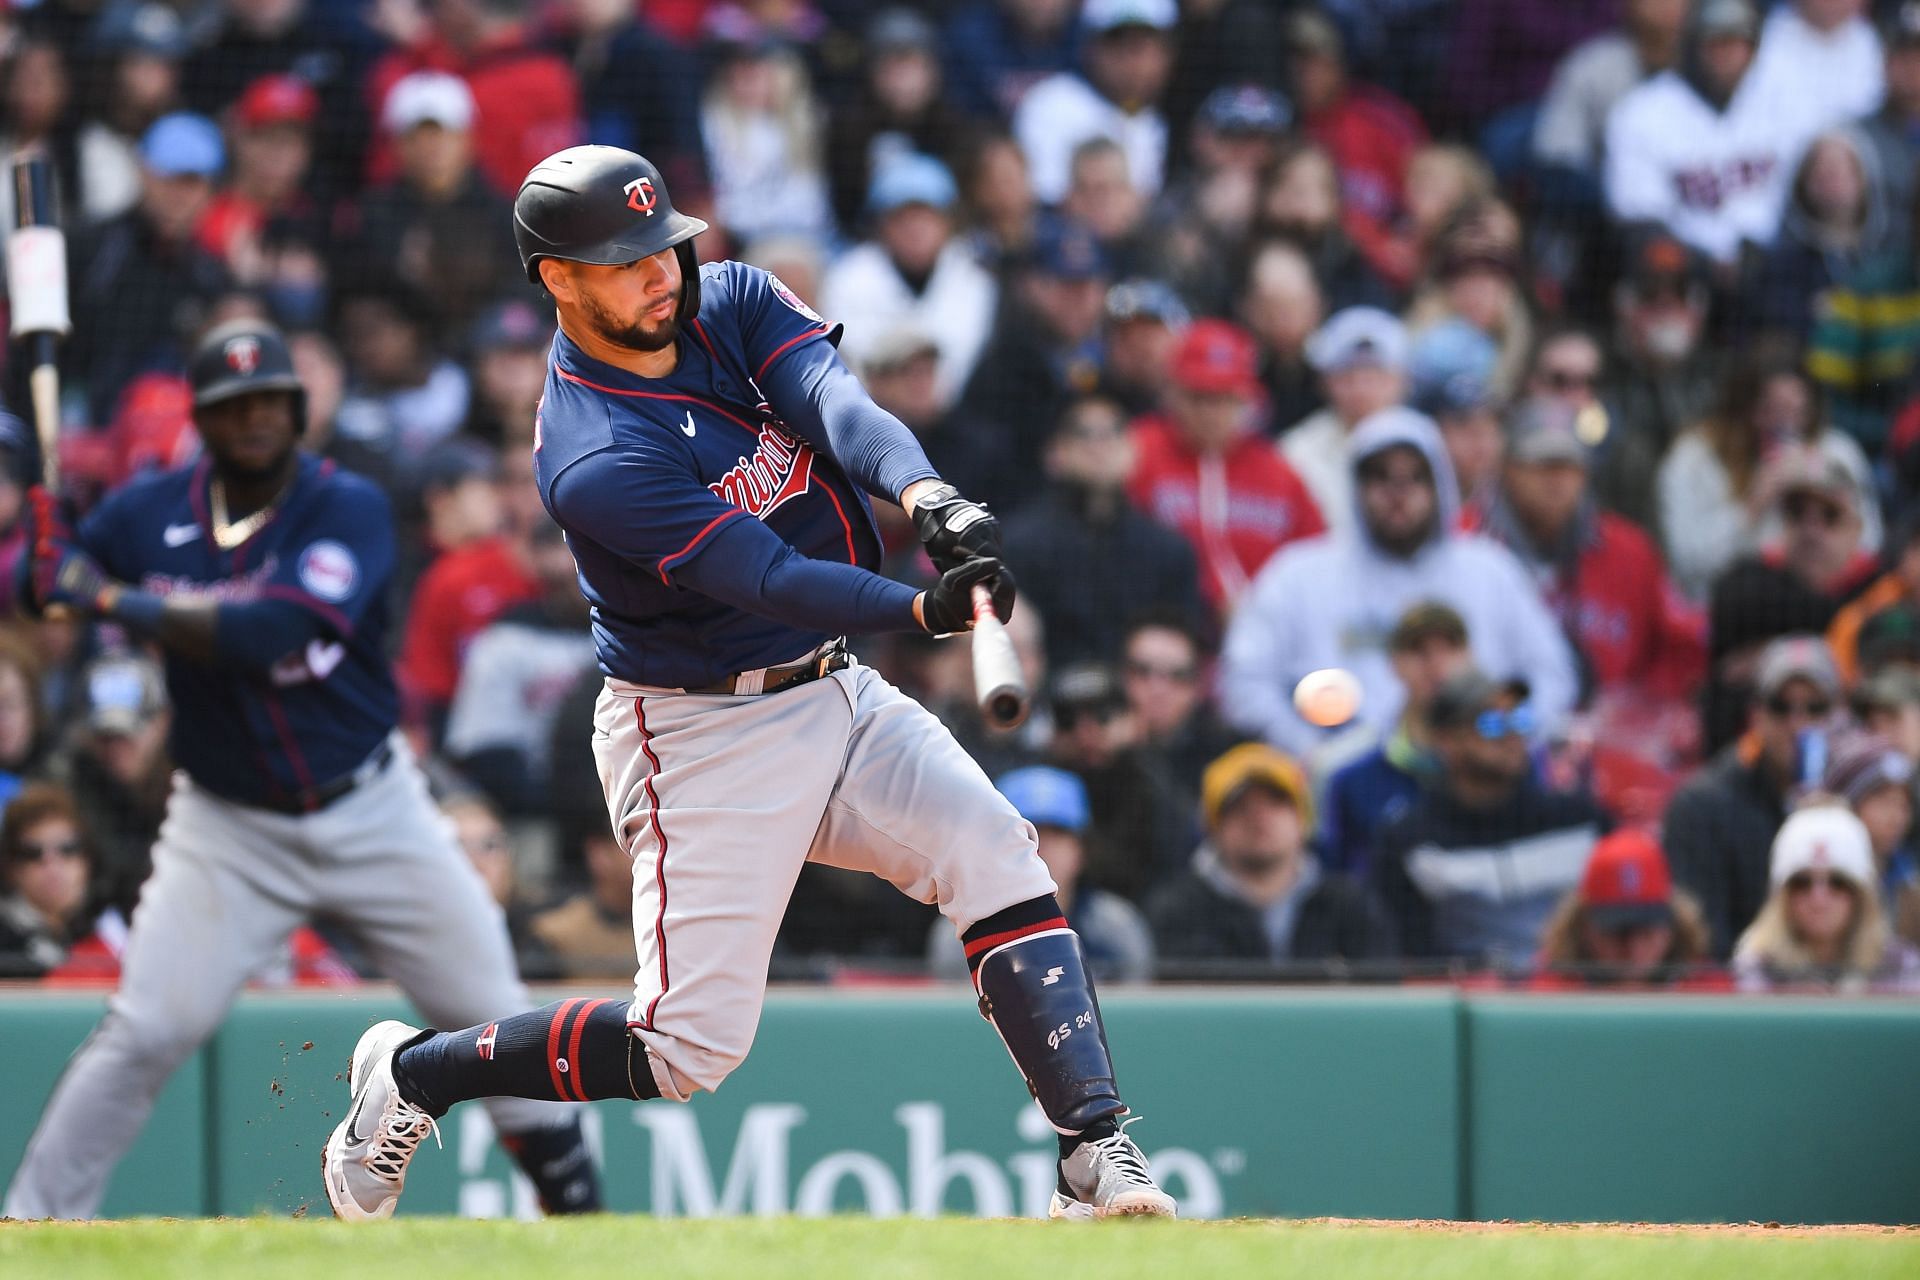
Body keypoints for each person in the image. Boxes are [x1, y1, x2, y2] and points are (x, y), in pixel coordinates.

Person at [317, 146, 1178, 1222]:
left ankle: (1093, 1155)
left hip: (829, 687)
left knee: (995, 846)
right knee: (683, 1047)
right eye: (626, 263)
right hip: (699, 729)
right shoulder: (590, 453)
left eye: (662, 249)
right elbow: (764, 575)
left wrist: (928, 495)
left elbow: (834, 402)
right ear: (559, 279)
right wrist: (920, 611)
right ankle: (412, 1074)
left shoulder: (730, 297)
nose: (659, 276)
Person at [3, 319, 601, 1220]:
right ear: (202, 420)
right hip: (228, 825)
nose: (253, 420)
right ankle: (32, 1225)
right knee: (147, 1028)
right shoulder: (152, 510)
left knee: (492, 1015)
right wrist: (35, 554)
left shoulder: (345, 504)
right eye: (231, 406)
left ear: (297, 410)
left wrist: (106, 595)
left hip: (373, 808)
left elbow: (272, 631)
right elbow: (43, 586)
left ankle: (585, 1222)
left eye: (269, 402)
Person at [1221, 407, 1578, 756]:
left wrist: (1501, 737)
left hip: (1473, 778)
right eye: (1380, 477)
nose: (1398, 493)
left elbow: (1554, 678)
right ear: (1355, 485)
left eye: (1415, 477)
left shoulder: (1490, 570)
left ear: (1439, 483)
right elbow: (1244, 681)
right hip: (1338, 777)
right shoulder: (1299, 574)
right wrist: (1310, 751)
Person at [1471, 400, 1706, 701]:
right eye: (1542, 465)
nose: (1556, 480)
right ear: (1508, 469)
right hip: (1490, 730)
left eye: (1568, 465)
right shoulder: (1467, 543)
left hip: (1605, 736)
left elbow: (1678, 641)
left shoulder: (1630, 550)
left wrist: (1639, 710)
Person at [1372, 669, 1604, 963]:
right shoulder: (1408, 839)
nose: (1512, 735)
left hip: (1567, 997)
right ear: (1447, 741)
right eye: (1492, 724)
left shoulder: (1580, 820)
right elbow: (1405, 955)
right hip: (1459, 998)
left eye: (1519, 720)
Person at [1126, 319, 1326, 612]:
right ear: (1172, 393)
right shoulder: (1140, 450)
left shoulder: (1278, 471)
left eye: (1224, 398)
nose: (1210, 412)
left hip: (1265, 631)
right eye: (1198, 397)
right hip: (1167, 626)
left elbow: (1315, 558)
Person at [1147, 743, 1391, 975]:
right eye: (1240, 806)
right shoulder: (1176, 913)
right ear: (1212, 827)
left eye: (1276, 802)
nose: (1259, 818)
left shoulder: (1351, 906)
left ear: (1302, 819)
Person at [1663, 635, 1838, 956]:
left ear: (1837, 715)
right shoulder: (1704, 806)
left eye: (1814, 708)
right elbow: (1704, 946)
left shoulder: (1857, 793)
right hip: (1747, 996)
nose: (1797, 723)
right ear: (1756, 714)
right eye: (1780, 706)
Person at [1661, 348, 1881, 602]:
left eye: (1797, 412)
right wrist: (1752, 507)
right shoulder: (1695, 458)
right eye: (1771, 411)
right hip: (1728, 611)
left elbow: (1868, 545)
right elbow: (1689, 565)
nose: (1785, 427)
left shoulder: (1837, 451)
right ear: (1743, 408)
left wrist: (1825, 511)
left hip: (1820, 604)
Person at [1604, 0, 1810, 268]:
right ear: (1691, 45)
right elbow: (1639, 218)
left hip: (1774, 265)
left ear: (1753, 47)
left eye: (1735, 40)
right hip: (1684, 272)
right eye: (1714, 41)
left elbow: (1806, 200)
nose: (1725, 53)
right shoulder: (1642, 111)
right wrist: (1701, 264)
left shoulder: (1785, 99)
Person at [1001, 396, 1201, 671]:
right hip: (1041, 699)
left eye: (1113, 432)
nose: (1099, 446)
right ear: (1055, 452)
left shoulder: (1169, 551)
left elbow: (1185, 645)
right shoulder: (1017, 544)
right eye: (1083, 434)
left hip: (1138, 699)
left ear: (1135, 450)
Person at [67, 111, 232, 425]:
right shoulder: (90, 249)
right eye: (167, 179)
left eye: (192, 183)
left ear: (211, 191)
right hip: (80, 430)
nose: (177, 196)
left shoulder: (212, 278)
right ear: (143, 173)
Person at [928, 767, 1156, 983]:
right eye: (1026, 833)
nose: (1041, 847)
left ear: (1080, 850)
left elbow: (1134, 1019)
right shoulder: (958, 934)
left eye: (1057, 834)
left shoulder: (1116, 930)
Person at [442, 519, 598, 814]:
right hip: (538, 812)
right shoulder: (507, 639)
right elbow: (486, 754)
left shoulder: (633, 635)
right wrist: (569, 807)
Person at [819, 153, 997, 410]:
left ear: (948, 222)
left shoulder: (975, 278)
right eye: (902, 217)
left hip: (954, 421)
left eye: (926, 216)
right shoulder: (848, 277)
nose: (915, 229)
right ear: (881, 224)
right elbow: (859, 360)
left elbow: (961, 366)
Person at [1319, 602, 1472, 878]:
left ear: (1469, 657)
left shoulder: (1504, 759)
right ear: (1395, 664)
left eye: (1449, 648)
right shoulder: (1349, 774)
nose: (1436, 664)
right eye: (1418, 650)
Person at [1733, 805, 1920, 993]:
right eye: (1802, 883)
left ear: (1862, 896)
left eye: (1837, 883)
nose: (1819, 899)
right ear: (1781, 898)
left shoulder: (1900, 966)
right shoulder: (1757, 966)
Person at [1013, 0, 1177, 204]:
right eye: (1117, 43)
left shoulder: (1155, 120)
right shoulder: (1051, 105)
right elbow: (1045, 204)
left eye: (1142, 46)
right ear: (1090, 47)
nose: (1132, 61)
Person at [54, 654, 171, 917]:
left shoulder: (192, 794)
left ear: (163, 722)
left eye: (129, 733)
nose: (117, 748)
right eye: (104, 735)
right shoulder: (66, 795)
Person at [1281, 306, 1409, 538]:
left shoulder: (1428, 444)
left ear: (1401, 381)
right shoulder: (1297, 450)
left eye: (1374, 376)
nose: (1361, 390)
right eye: (1347, 377)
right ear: (1325, 383)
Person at [1532, 829, 1717, 988]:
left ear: (1672, 927)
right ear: (1583, 927)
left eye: (1646, 932)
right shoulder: (1551, 995)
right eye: (1617, 932)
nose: (1633, 951)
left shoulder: (1706, 990)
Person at [1120, 613, 1240, 808]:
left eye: (1177, 675)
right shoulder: (1087, 743)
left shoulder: (1226, 754)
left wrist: (1141, 757)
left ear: (1199, 686)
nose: (1158, 688)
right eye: (1143, 671)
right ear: (1121, 675)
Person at [1821, 731, 1920, 940]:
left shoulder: (1909, 885)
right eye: (1882, 801)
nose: (1895, 817)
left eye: (1903, 805)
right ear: (1848, 804)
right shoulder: (1819, 880)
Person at [0, 785, 100, 980]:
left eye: (68, 849)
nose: (53, 865)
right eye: (33, 853)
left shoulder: (107, 934)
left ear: (87, 860)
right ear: (10, 868)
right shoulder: (4, 942)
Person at [527, 826, 638, 981]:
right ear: (599, 854)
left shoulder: (672, 924)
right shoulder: (554, 934)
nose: (655, 853)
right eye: (636, 843)